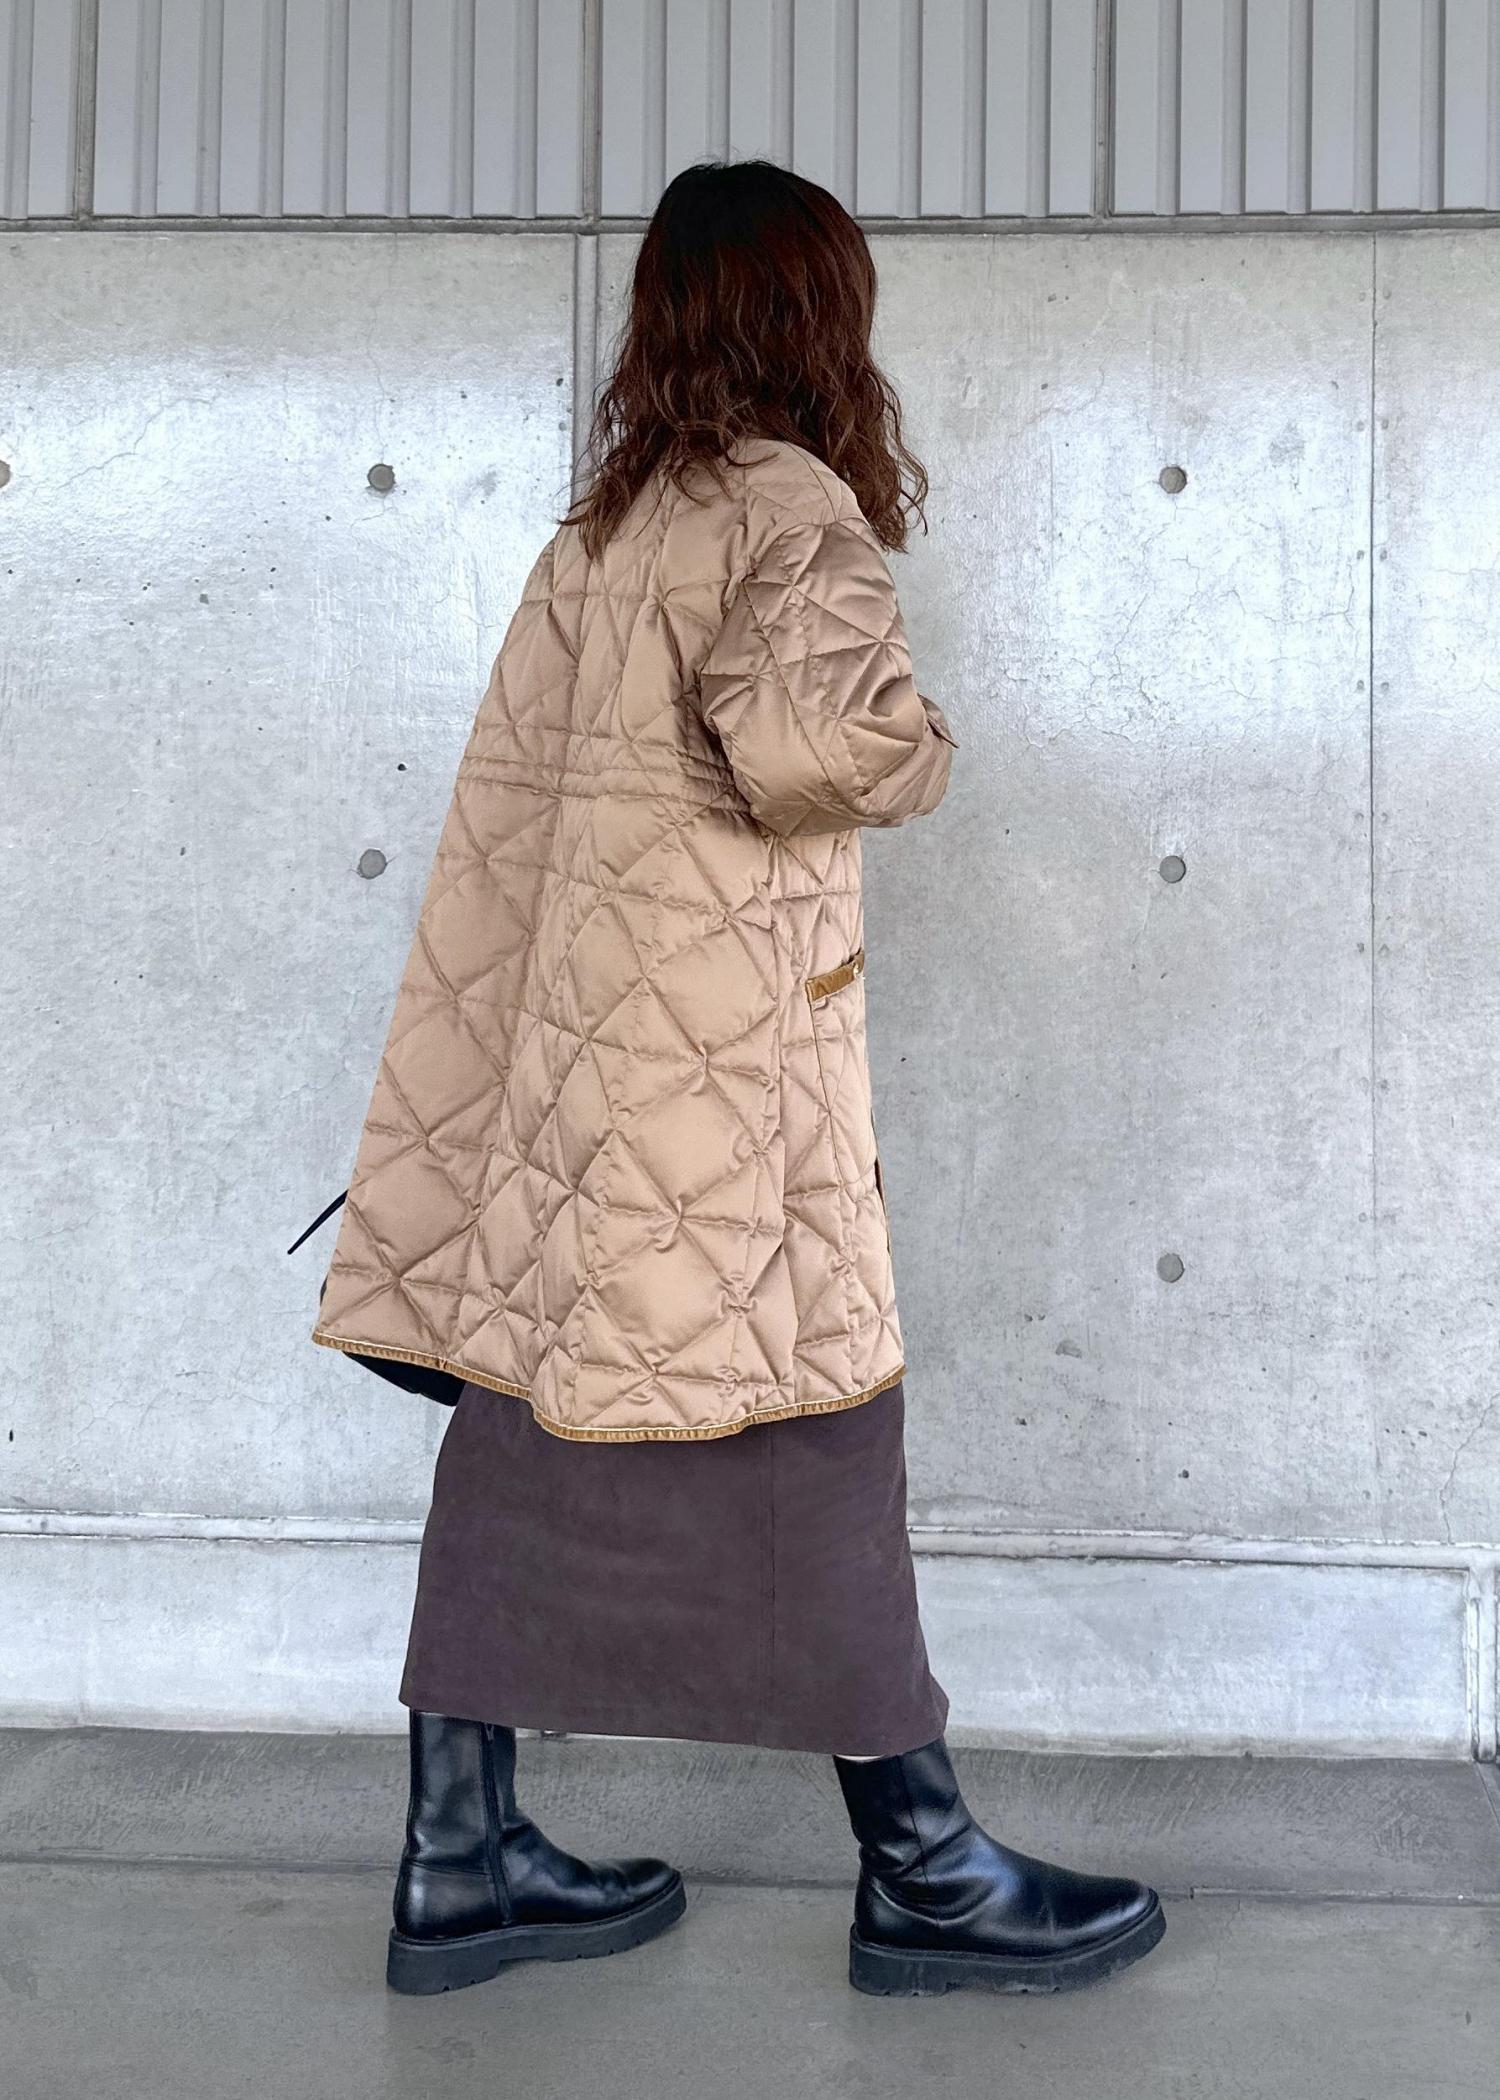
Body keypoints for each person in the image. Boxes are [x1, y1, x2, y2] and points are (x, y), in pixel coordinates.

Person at [309, 157, 1164, 2001]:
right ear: (815, 318)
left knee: (523, 1421)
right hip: (723, 1086)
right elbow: (820, 756)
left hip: (568, 1077)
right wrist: (928, 740)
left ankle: (459, 1856)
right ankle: (924, 1870)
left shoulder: (599, 535)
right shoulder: (790, 511)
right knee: (818, 1430)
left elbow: (518, 829)